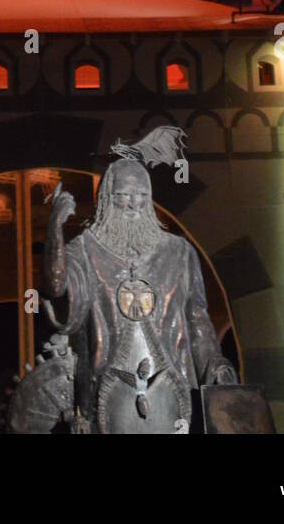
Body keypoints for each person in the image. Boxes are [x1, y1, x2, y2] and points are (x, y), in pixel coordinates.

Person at [42, 135, 237, 434]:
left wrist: (215, 363)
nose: (133, 203)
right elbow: (55, 287)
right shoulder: (85, 249)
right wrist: (55, 227)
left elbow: (198, 320)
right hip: (104, 392)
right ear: (108, 197)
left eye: (141, 196)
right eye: (123, 195)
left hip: (171, 391)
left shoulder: (179, 253)